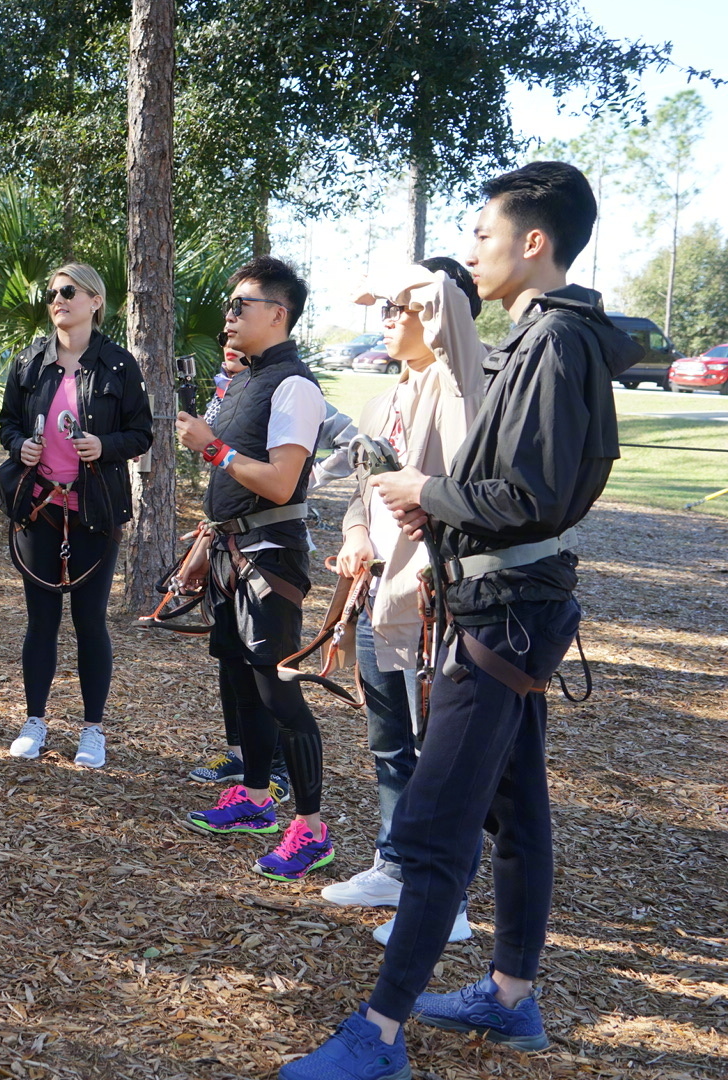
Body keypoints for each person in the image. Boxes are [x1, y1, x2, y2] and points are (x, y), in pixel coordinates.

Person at [282, 162, 641, 1079]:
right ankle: (512, 999)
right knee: (517, 810)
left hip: (506, 613)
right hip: (510, 603)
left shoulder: (556, 343)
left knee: (437, 826)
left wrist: (425, 489)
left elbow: (534, 491)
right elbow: (518, 490)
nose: (471, 250)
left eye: (482, 234)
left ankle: (381, 1034)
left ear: (533, 241)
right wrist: (438, 506)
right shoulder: (542, 337)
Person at [319, 257, 487, 949]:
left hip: (433, 600)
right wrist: (358, 532)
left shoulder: (465, 386)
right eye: (383, 309)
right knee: (391, 743)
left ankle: (444, 901)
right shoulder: (390, 393)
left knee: (439, 754)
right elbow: (363, 489)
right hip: (378, 593)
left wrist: (428, 284)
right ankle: (395, 864)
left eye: (401, 307)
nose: (387, 319)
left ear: (439, 314)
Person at [175, 255, 334, 882]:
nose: (229, 315)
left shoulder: (294, 386)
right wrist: (200, 551)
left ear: (278, 314)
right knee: (240, 679)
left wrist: (212, 448)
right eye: (229, 305)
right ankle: (257, 798)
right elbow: (232, 485)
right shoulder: (242, 382)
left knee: (278, 688)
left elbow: (281, 481)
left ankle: (312, 828)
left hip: (269, 558)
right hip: (230, 554)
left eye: (242, 305)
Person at [0, 263, 153, 770]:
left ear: (94, 301)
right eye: (52, 294)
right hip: (39, 508)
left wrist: (103, 445)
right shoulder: (28, 363)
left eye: (68, 292)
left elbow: (142, 433)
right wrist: (20, 446)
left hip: (95, 510)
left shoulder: (119, 365)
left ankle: (92, 730)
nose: (57, 300)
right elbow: (8, 424)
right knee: (40, 621)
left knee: (89, 621)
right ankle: (34, 720)